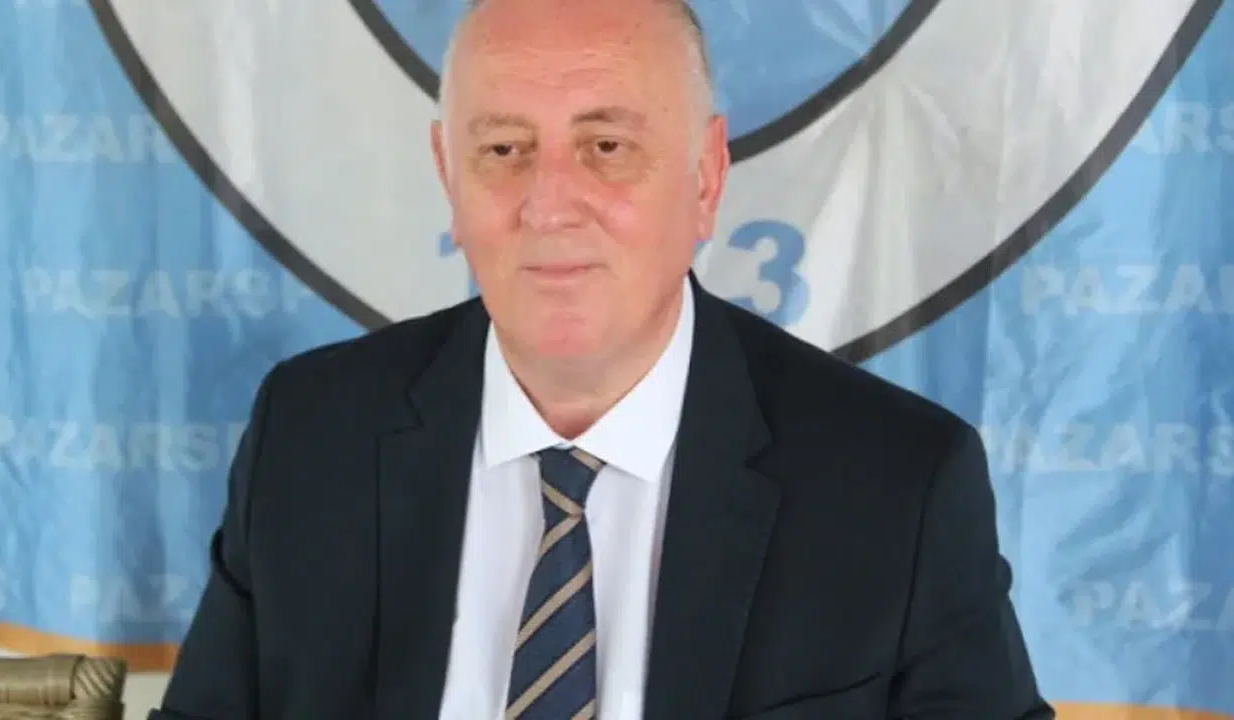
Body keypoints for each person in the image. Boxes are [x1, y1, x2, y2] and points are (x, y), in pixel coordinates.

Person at [150, 0, 1054, 717]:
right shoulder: (309, 439)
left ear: (705, 178)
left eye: (607, 147)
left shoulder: (898, 485)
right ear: (448, 176)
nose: (550, 204)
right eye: (504, 149)